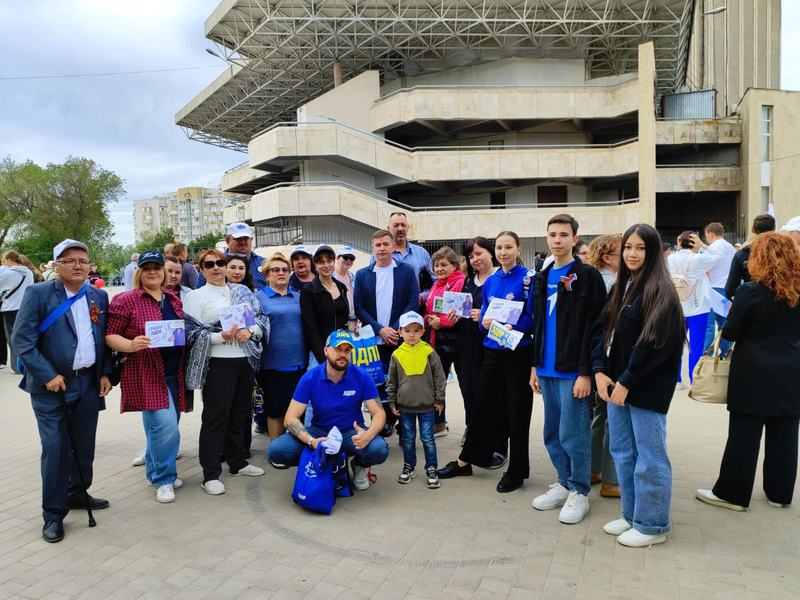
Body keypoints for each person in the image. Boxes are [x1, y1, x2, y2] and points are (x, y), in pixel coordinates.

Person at [12, 239, 113, 543]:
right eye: (69, 261)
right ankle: (53, 514)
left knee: (84, 444)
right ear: (56, 266)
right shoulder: (39, 293)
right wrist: (47, 375)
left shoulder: (98, 295)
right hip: (52, 387)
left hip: (87, 383)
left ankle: (77, 493)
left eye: (83, 260)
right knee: (55, 449)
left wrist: (106, 372)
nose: (78, 265)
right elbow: (22, 340)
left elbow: (103, 337)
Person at [593, 224, 684, 547]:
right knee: (623, 453)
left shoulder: (660, 290)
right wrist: (599, 370)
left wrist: (627, 381)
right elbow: (602, 333)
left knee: (650, 458)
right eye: (628, 247)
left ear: (653, 252)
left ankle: (653, 524)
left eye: (640, 248)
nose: (632, 253)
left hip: (643, 389)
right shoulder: (623, 286)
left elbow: (655, 344)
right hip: (615, 386)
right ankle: (632, 515)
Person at [696, 233, 800, 512]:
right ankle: (779, 494)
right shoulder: (797, 291)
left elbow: (731, 331)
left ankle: (733, 494)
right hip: (792, 370)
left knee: (744, 435)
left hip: (753, 371)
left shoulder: (750, 291)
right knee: (786, 435)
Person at [437, 231, 535, 494]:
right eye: (500, 247)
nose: (504, 252)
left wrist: (508, 322)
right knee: (480, 407)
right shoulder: (492, 282)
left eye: (508, 247)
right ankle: (466, 461)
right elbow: (483, 321)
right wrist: (485, 322)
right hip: (492, 350)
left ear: (518, 248)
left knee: (517, 413)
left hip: (518, 352)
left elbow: (533, 319)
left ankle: (517, 471)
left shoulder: (528, 279)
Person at [529, 214, 606, 524]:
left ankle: (579, 491)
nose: (557, 239)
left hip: (573, 369)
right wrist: (535, 367)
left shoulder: (587, 276)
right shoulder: (541, 277)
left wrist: (586, 371)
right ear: (546, 239)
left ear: (575, 240)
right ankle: (563, 481)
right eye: (552, 234)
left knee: (573, 434)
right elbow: (538, 325)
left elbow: (597, 327)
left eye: (563, 234)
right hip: (546, 369)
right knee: (552, 433)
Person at [184, 249, 269, 495]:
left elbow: (260, 318)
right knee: (215, 418)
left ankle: (238, 462)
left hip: (244, 360)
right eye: (209, 264)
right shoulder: (196, 296)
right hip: (218, 363)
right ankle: (210, 474)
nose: (216, 267)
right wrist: (219, 337)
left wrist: (251, 331)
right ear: (201, 269)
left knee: (241, 415)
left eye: (220, 262)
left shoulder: (242, 292)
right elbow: (190, 333)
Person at [105, 251, 187, 504]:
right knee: (166, 428)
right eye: (147, 268)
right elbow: (109, 335)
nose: (153, 272)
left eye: (157, 267)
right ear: (139, 272)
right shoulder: (125, 299)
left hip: (174, 372)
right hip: (146, 373)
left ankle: (154, 472)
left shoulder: (173, 298)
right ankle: (164, 478)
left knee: (161, 429)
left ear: (164, 271)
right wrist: (130, 344)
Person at [266, 330, 389, 491]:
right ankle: (320, 462)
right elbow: (290, 418)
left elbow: (379, 413)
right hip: (319, 432)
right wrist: (311, 441)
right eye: (338, 349)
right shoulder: (310, 377)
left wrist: (368, 435)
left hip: (350, 433)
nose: (342, 354)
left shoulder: (362, 376)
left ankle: (359, 465)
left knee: (379, 449)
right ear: (326, 350)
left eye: (347, 350)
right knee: (276, 450)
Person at [354, 229, 420, 437]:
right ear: (372, 248)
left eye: (386, 244)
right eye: (378, 245)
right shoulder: (363, 274)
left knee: (403, 383)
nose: (382, 248)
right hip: (373, 340)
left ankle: (405, 426)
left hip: (399, 338)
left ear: (393, 247)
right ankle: (382, 423)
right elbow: (359, 306)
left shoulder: (406, 270)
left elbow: (412, 301)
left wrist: (395, 328)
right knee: (377, 384)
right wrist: (380, 329)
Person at [450, 237, 501, 453]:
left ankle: (494, 437)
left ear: (491, 252)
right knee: (467, 389)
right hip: (466, 345)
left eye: (479, 253)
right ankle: (472, 428)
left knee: (489, 394)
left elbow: (510, 311)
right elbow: (462, 310)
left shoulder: (501, 277)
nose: (475, 259)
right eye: (471, 256)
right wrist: (454, 317)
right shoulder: (468, 281)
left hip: (491, 347)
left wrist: (485, 315)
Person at [254, 253, 307, 451]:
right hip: (272, 364)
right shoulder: (257, 298)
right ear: (267, 275)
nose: (281, 273)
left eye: (285, 269)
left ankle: (295, 448)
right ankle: (276, 451)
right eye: (275, 270)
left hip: (301, 362)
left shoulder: (300, 297)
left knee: (298, 409)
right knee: (276, 410)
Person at [387, 311, 446, 489]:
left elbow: (439, 378)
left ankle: (431, 468)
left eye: (416, 330)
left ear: (422, 332)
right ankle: (409, 466)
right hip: (405, 408)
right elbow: (392, 380)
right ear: (400, 332)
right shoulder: (397, 354)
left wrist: (439, 399)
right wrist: (392, 402)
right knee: (408, 439)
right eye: (407, 330)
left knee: (428, 438)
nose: (411, 334)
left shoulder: (429, 352)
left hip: (427, 406)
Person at [585, 233, 623, 498]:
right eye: (625, 251)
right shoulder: (614, 284)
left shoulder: (589, 277)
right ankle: (611, 480)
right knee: (612, 419)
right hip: (607, 357)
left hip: (590, 355)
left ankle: (594, 469)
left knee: (601, 415)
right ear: (609, 258)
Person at [424, 246, 466, 437]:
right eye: (436, 265)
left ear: (454, 265)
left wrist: (441, 321)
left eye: (443, 264)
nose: (439, 268)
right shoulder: (436, 285)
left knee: (466, 386)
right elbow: (429, 311)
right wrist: (429, 320)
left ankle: (471, 428)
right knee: (437, 384)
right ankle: (439, 423)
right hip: (437, 342)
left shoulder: (460, 282)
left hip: (457, 342)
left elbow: (459, 313)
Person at [667, 231, 717, 389]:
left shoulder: (671, 258)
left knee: (676, 346)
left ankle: (676, 380)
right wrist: (702, 246)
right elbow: (719, 256)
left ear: (679, 242)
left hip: (677, 308)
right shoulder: (699, 259)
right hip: (698, 308)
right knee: (696, 346)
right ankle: (693, 381)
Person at [689, 223, 736, 356]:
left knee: (709, 326)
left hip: (712, 289)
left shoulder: (710, 248)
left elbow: (707, 270)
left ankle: (706, 356)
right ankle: (725, 355)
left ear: (710, 234)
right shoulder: (731, 248)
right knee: (725, 325)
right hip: (727, 289)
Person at [301, 245, 350, 366]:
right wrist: (323, 357)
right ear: (316, 265)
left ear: (334, 261)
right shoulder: (309, 291)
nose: (326, 265)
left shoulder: (341, 287)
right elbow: (310, 328)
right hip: (321, 351)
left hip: (342, 348)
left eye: (329, 261)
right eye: (321, 262)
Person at [195, 223, 266, 290]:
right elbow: (199, 291)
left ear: (251, 240)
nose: (242, 242)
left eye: (246, 238)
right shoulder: (213, 264)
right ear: (227, 241)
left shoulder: (263, 263)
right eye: (238, 239)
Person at [383, 212, 437, 299]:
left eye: (403, 225)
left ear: (408, 228)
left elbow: (436, 280)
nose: (400, 229)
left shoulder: (422, 253)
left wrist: (422, 297)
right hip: (389, 307)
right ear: (388, 229)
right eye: (396, 225)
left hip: (417, 306)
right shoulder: (379, 255)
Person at [0, 250, 38, 374]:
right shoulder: (28, 272)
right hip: (25, 307)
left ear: (10, 260)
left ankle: (16, 366)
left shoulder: (8, 274)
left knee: (12, 337)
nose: (4, 263)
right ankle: (28, 362)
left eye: (4, 261)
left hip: (10, 307)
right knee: (25, 336)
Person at [725, 214, 776, 300]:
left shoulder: (742, 255)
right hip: (782, 301)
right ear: (774, 229)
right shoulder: (786, 252)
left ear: (752, 229)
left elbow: (731, 289)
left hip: (753, 301)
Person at [333, 246, 357, 318]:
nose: (349, 260)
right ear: (337, 258)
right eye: (345, 257)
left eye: (352, 258)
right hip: (337, 318)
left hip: (353, 319)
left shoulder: (353, 277)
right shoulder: (331, 277)